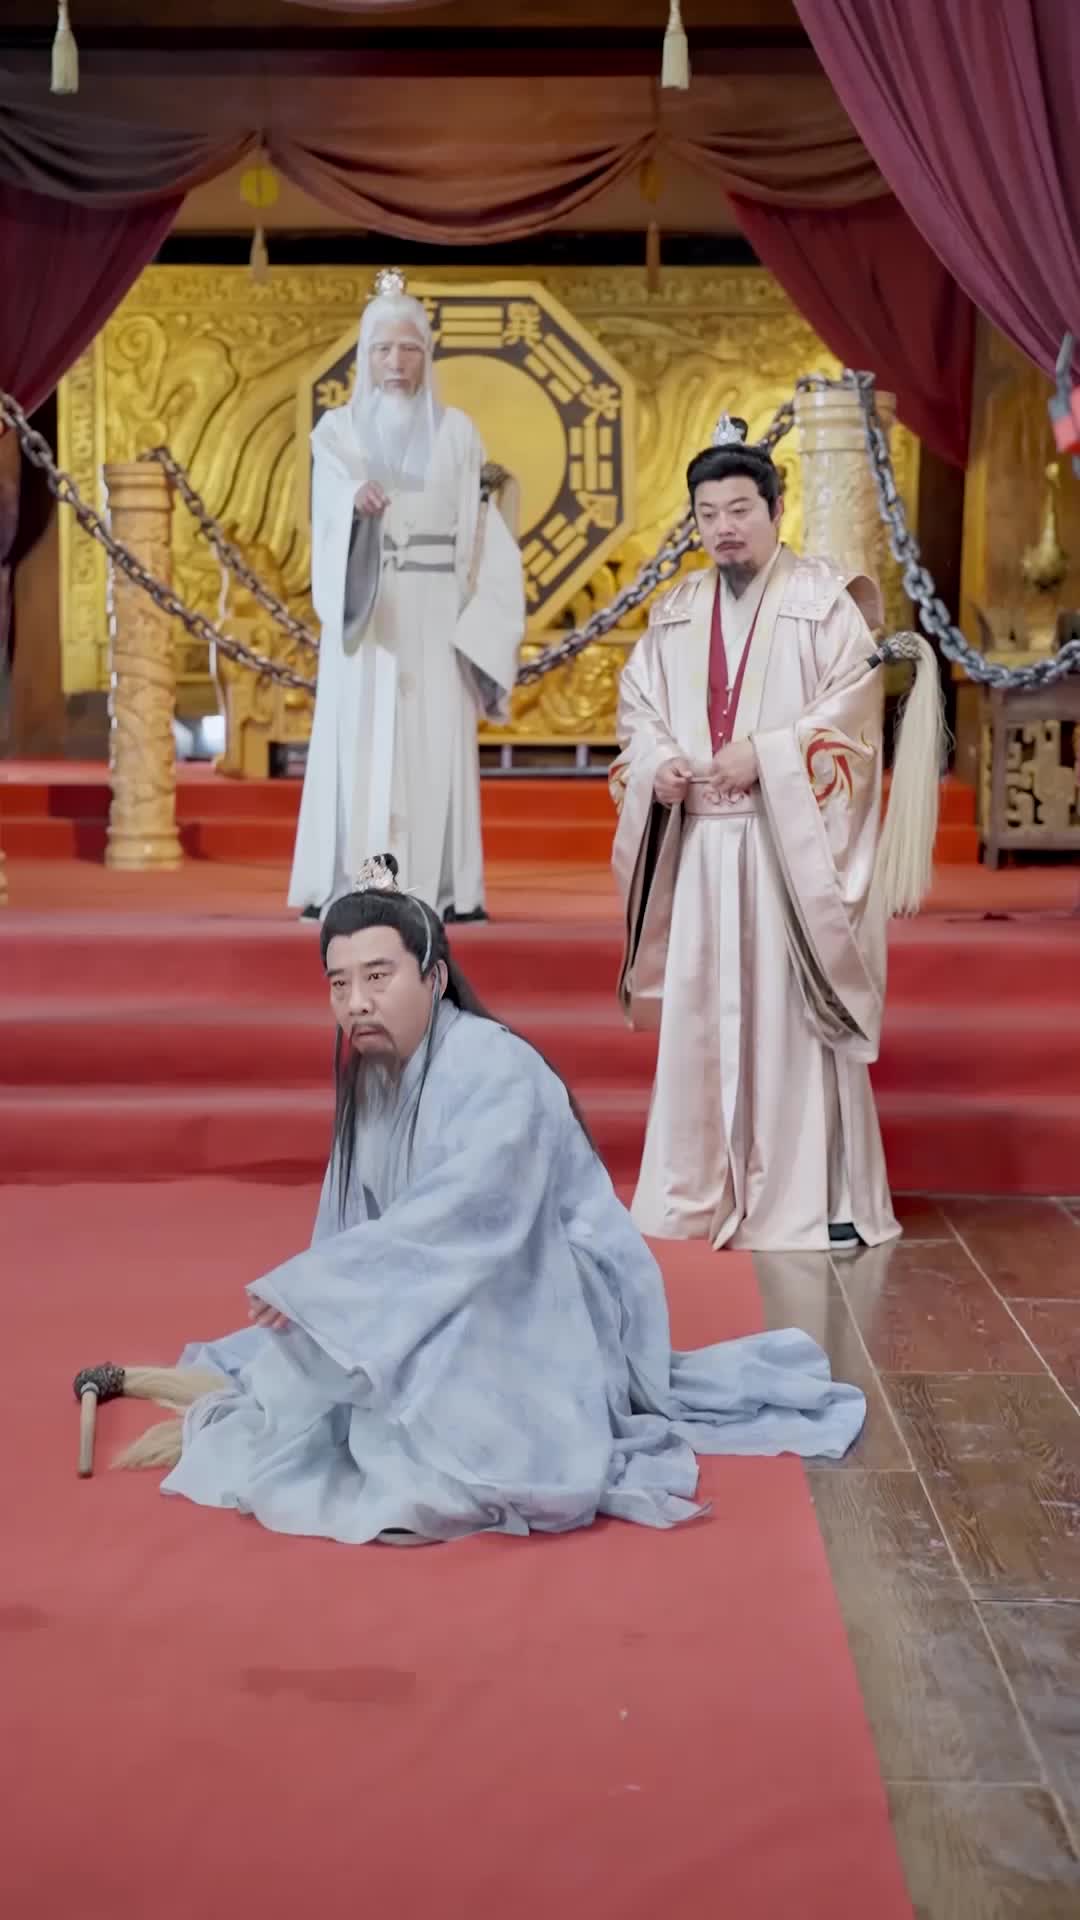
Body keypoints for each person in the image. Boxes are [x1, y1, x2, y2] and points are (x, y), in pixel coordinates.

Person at [111, 855, 866, 1545]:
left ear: (434, 977)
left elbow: (472, 1217)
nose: (356, 1003)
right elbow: (350, 1224)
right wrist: (323, 1304)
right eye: (339, 984)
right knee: (364, 1357)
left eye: (378, 976)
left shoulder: (497, 1066)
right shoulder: (375, 1074)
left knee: (439, 1373)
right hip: (449, 1270)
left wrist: (332, 1287)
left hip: (545, 1286)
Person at [611, 414, 905, 1255]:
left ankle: (815, 1195)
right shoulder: (674, 611)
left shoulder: (825, 606)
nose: (724, 528)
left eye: (740, 509)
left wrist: (769, 755)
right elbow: (638, 711)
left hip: (787, 848)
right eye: (708, 514)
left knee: (791, 1015)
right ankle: (697, 1189)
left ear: (777, 509)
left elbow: (853, 721)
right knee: (701, 1018)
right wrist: (660, 765)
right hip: (703, 846)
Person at [289, 268, 525, 924]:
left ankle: (444, 888)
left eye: (410, 348)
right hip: (369, 606)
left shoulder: (459, 433)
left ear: (427, 353)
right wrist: (352, 503)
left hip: (436, 607)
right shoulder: (337, 431)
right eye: (383, 349)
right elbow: (327, 513)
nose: (396, 363)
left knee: (433, 739)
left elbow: (481, 527)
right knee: (359, 736)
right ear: (365, 357)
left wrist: (483, 621)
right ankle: (351, 880)